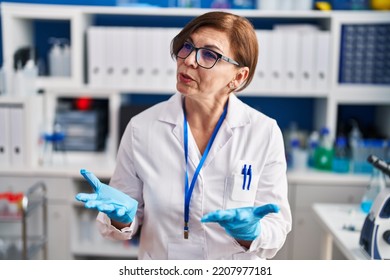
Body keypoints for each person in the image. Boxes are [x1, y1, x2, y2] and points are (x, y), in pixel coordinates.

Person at [76, 11, 292, 260]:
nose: (188, 60)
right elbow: (120, 222)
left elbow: (276, 226)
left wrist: (251, 233)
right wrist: (120, 219)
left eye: (209, 54)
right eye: (187, 47)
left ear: (238, 77)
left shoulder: (263, 133)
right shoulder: (142, 129)